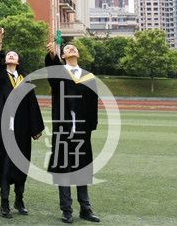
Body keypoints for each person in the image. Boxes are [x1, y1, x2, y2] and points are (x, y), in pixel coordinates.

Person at [0, 27, 44, 218]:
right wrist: (0, 37)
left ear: (18, 61)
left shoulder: (25, 81)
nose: (10, 56)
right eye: (8, 55)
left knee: (21, 163)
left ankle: (19, 199)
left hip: (22, 128)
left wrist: (35, 128)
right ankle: (4, 202)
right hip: (4, 128)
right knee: (4, 163)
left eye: (14, 55)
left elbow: (32, 104)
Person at [46, 42, 101, 224]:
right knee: (64, 169)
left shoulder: (88, 76)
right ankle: (66, 210)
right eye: (67, 48)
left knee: (82, 169)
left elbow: (93, 104)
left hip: (82, 130)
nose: (71, 49)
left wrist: (90, 127)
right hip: (63, 128)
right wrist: (52, 55)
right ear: (62, 56)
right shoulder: (59, 74)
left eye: (74, 48)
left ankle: (85, 208)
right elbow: (51, 70)